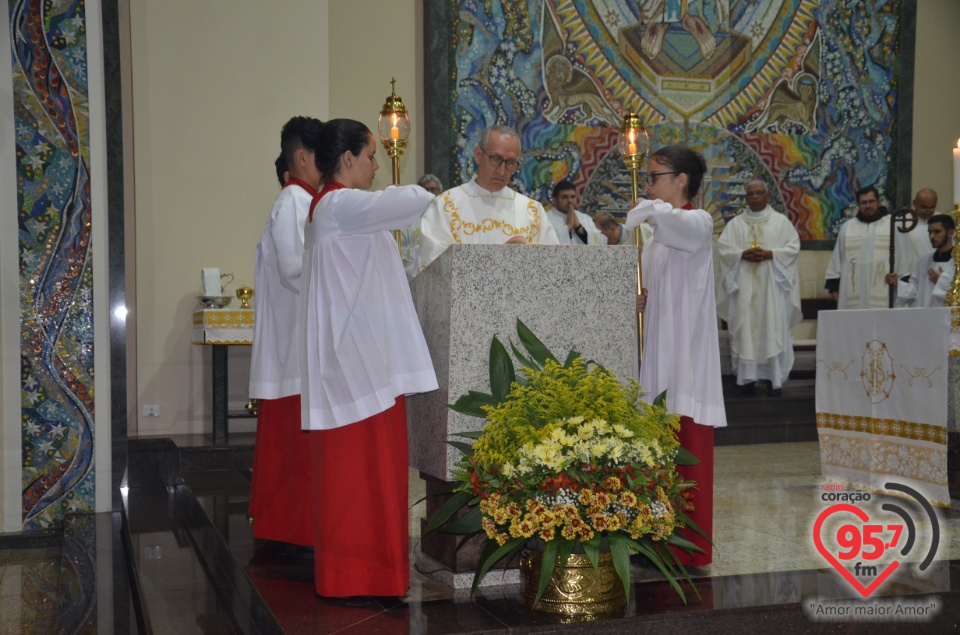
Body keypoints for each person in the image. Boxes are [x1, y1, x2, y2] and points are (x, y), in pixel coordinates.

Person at [300, 119, 438, 598]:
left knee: (363, 479)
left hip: (357, 361)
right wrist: (428, 187)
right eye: (371, 156)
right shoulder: (340, 204)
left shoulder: (333, 208)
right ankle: (364, 576)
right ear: (346, 160)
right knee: (364, 479)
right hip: (359, 366)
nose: (377, 166)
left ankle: (362, 576)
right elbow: (408, 204)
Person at [627, 145, 726, 566]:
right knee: (654, 456)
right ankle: (654, 541)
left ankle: (687, 548)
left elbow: (677, 226)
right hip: (657, 358)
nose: (648, 186)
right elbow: (652, 291)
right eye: (647, 178)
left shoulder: (697, 223)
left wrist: (647, 209)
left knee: (687, 452)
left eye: (654, 177)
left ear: (681, 179)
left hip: (686, 362)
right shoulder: (655, 241)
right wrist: (640, 300)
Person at [248, 116, 323, 547]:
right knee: (292, 456)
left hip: (290, 349)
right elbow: (298, 270)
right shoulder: (296, 200)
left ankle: (286, 530)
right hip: (294, 350)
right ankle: (291, 533)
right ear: (302, 158)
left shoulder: (293, 200)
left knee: (288, 454)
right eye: (322, 159)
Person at [418, 125, 560, 269]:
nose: (502, 171)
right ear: (478, 155)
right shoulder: (445, 206)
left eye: (510, 162)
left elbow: (553, 265)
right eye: (496, 159)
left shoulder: (532, 211)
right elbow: (433, 265)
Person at [716, 179, 802, 397]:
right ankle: (746, 380)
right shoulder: (736, 225)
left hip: (771, 290)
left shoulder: (781, 222)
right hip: (744, 288)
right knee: (745, 330)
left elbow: (793, 248)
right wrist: (742, 254)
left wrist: (770, 254)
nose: (755, 197)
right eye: (751, 194)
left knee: (772, 328)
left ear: (767, 195)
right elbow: (724, 249)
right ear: (746, 198)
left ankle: (774, 379)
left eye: (759, 193)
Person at [825, 185, 915, 309]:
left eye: (871, 201)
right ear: (858, 205)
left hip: (886, 294)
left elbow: (906, 258)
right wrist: (833, 286)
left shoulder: (893, 225)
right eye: (863, 202)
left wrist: (901, 282)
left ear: (878, 202)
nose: (868, 206)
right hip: (854, 293)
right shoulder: (848, 228)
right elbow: (837, 258)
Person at [885, 213, 956, 308]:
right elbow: (915, 291)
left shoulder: (957, 262)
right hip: (924, 317)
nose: (932, 236)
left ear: (950, 233)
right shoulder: (924, 262)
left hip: (950, 319)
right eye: (930, 232)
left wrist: (941, 281)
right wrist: (897, 284)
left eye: (937, 232)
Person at [400, 174, 443, 280]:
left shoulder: (446, 218)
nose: (430, 193)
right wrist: (422, 250)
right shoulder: (408, 221)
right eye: (426, 190)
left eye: (433, 189)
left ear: (440, 193)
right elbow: (400, 252)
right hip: (415, 277)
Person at [547, 179, 605, 244]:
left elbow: (600, 242)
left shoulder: (585, 218)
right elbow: (544, 243)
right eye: (565, 197)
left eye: (573, 197)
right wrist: (567, 227)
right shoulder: (546, 219)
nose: (570, 201)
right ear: (555, 200)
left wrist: (579, 228)